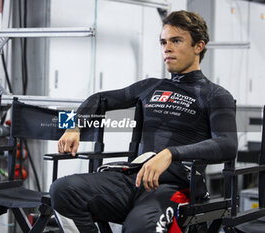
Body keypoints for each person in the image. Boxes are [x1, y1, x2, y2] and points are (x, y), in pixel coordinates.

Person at [50, 10, 238, 233]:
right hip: (133, 178)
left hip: (174, 187)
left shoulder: (215, 94)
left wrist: (169, 154)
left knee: (138, 228)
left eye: (176, 41)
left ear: (198, 46)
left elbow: (227, 144)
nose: (166, 48)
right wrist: (74, 126)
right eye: (163, 42)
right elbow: (98, 99)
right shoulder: (150, 86)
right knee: (62, 189)